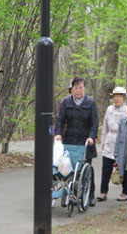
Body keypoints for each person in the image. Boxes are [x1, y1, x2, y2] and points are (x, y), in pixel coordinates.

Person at [55, 76, 99, 207]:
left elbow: (94, 122)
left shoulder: (90, 103)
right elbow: (60, 120)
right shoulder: (66, 102)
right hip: (70, 139)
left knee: (86, 168)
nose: (78, 90)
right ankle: (71, 194)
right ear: (72, 89)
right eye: (76, 87)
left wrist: (92, 137)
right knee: (69, 169)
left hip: (86, 140)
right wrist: (58, 134)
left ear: (84, 88)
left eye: (81, 87)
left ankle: (90, 195)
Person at [97, 87, 127, 202]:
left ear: (124, 98)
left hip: (122, 141)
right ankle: (103, 192)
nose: (117, 99)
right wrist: (103, 143)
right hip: (110, 140)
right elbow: (105, 127)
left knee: (123, 167)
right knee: (106, 167)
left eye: (120, 96)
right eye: (115, 96)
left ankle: (125, 192)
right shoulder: (109, 109)